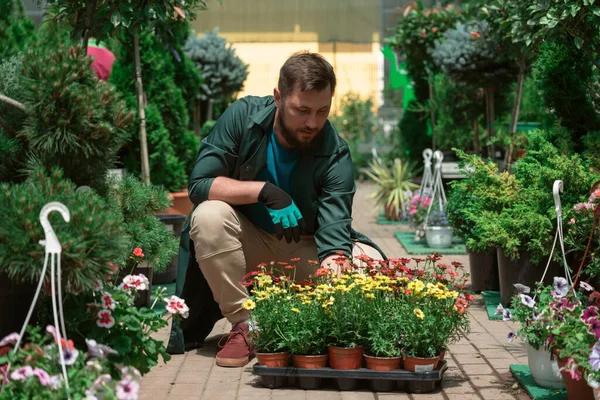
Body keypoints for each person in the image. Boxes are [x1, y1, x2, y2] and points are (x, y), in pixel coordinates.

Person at [166, 51, 384, 367]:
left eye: (323, 111)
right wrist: (264, 191)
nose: (313, 122)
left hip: (303, 251)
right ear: (278, 97)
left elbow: (335, 234)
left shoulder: (335, 152)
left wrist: (337, 264)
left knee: (372, 264)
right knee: (208, 216)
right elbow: (200, 185)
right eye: (302, 110)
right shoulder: (243, 117)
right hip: (245, 248)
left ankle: (314, 323)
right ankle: (247, 324)